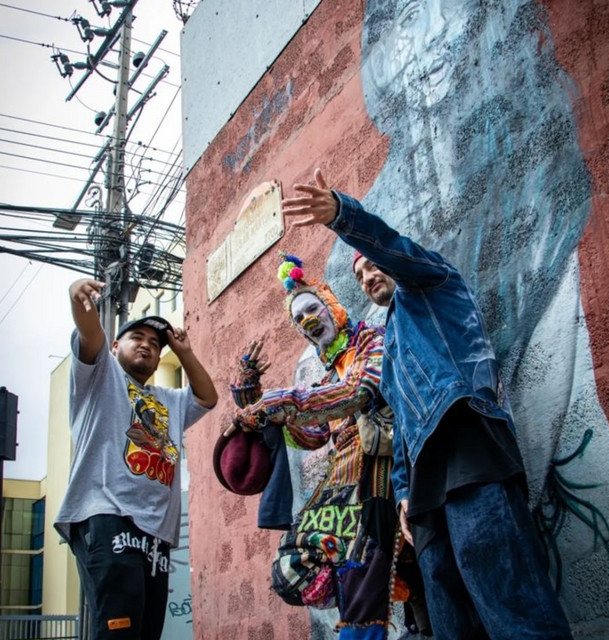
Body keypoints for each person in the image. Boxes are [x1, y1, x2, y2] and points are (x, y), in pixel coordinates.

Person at [281, 169, 573, 640]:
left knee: (513, 607)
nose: (368, 276)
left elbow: (391, 246)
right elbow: (400, 425)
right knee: (452, 621)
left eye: (371, 266)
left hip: (468, 454)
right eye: (359, 275)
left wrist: (343, 216)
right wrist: (402, 492)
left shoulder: (433, 283)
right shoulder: (391, 344)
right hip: (423, 494)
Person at [228, 254, 429, 639]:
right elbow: (311, 435)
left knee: (366, 568)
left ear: (332, 306)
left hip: (382, 470)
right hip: (344, 483)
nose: (307, 320)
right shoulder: (325, 379)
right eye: (298, 318)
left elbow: (358, 392)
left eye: (311, 309)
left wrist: (280, 403)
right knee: (307, 566)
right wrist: (255, 402)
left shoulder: (371, 339)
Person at [54, 278, 217, 640]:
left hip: (155, 530)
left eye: (155, 344)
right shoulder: (101, 375)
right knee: (119, 629)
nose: (146, 345)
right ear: (115, 346)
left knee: (145, 631)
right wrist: (77, 298)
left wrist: (184, 353)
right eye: (137, 338)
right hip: (106, 513)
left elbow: (207, 398)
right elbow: (90, 335)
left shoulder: (168, 399)